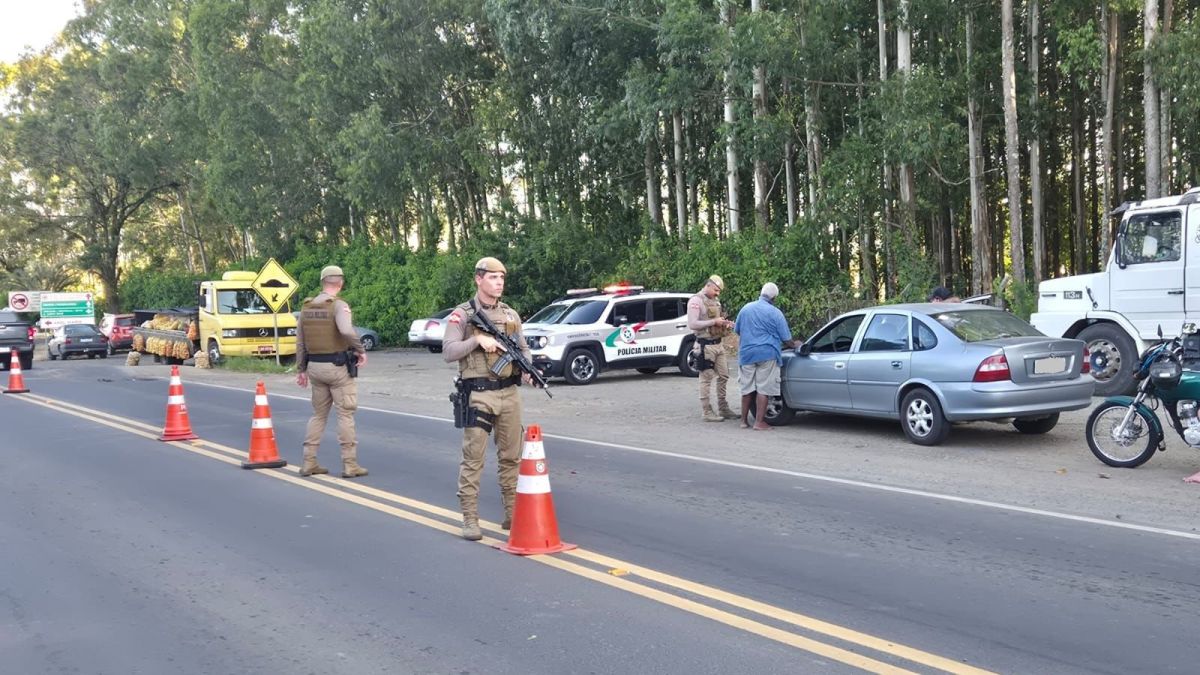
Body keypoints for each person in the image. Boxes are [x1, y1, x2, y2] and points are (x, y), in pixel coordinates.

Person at [442, 257, 534, 541]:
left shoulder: (510, 315)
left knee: (511, 458)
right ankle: (470, 519)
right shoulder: (463, 315)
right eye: (493, 278)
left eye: (502, 278)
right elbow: (448, 351)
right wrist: (476, 341)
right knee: (474, 459)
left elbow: (523, 347)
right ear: (478, 279)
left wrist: (528, 369)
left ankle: (512, 515)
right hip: (479, 395)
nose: (499, 283)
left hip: (509, 393)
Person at [296, 265, 368, 478]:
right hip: (337, 369)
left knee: (318, 415)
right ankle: (350, 464)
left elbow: (300, 341)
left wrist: (301, 369)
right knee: (345, 413)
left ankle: (309, 462)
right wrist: (360, 349)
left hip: (314, 368)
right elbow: (346, 330)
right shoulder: (338, 306)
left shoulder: (306, 307)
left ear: (322, 282)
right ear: (341, 283)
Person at [734, 282, 795, 430]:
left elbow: (737, 330)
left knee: (747, 388)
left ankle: (743, 421)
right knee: (763, 388)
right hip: (767, 354)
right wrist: (795, 344)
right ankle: (759, 422)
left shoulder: (746, 309)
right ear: (774, 297)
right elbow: (786, 338)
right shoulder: (775, 313)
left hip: (747, 354)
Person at [687, 274, 737, 422]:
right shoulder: (696, 301)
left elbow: (716, 320)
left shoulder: (715, 301)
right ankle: (706, 411)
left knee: (724, 375)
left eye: (719, 291)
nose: (717, 293)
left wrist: (724, 323)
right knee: (706, 378)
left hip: (718, 343)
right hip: (705, 345)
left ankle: (723, 407)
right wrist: (713, 321)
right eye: (715, 290)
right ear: (708, 285)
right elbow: (693, 324)